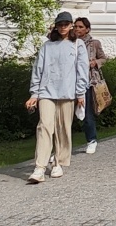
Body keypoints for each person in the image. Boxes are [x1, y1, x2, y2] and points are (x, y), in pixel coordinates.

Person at [26, 11, 89, 183]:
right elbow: (38, 69)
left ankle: (58, 163)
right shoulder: (47, 46)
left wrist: (80, 93)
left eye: (66, 24)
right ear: (56, 26)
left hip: (67, 93)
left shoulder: (78, 45)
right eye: (60, 24)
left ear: (70, 25)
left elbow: (82, 70)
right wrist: (34, 93)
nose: (63, 27)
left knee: (62, 128)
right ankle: (39, 167)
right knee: (44, 126)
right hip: (47, 91)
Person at [74, 17, 107, 153]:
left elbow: (103, 58)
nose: (77, 29)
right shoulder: (70, 42)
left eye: (81, 27)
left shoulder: (94, 44)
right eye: (75, 27)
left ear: (87, 29)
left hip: (88, 82)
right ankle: (61, 148)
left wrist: (95, 63)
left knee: (87, 114)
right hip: (70, 82)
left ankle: (91, 140)